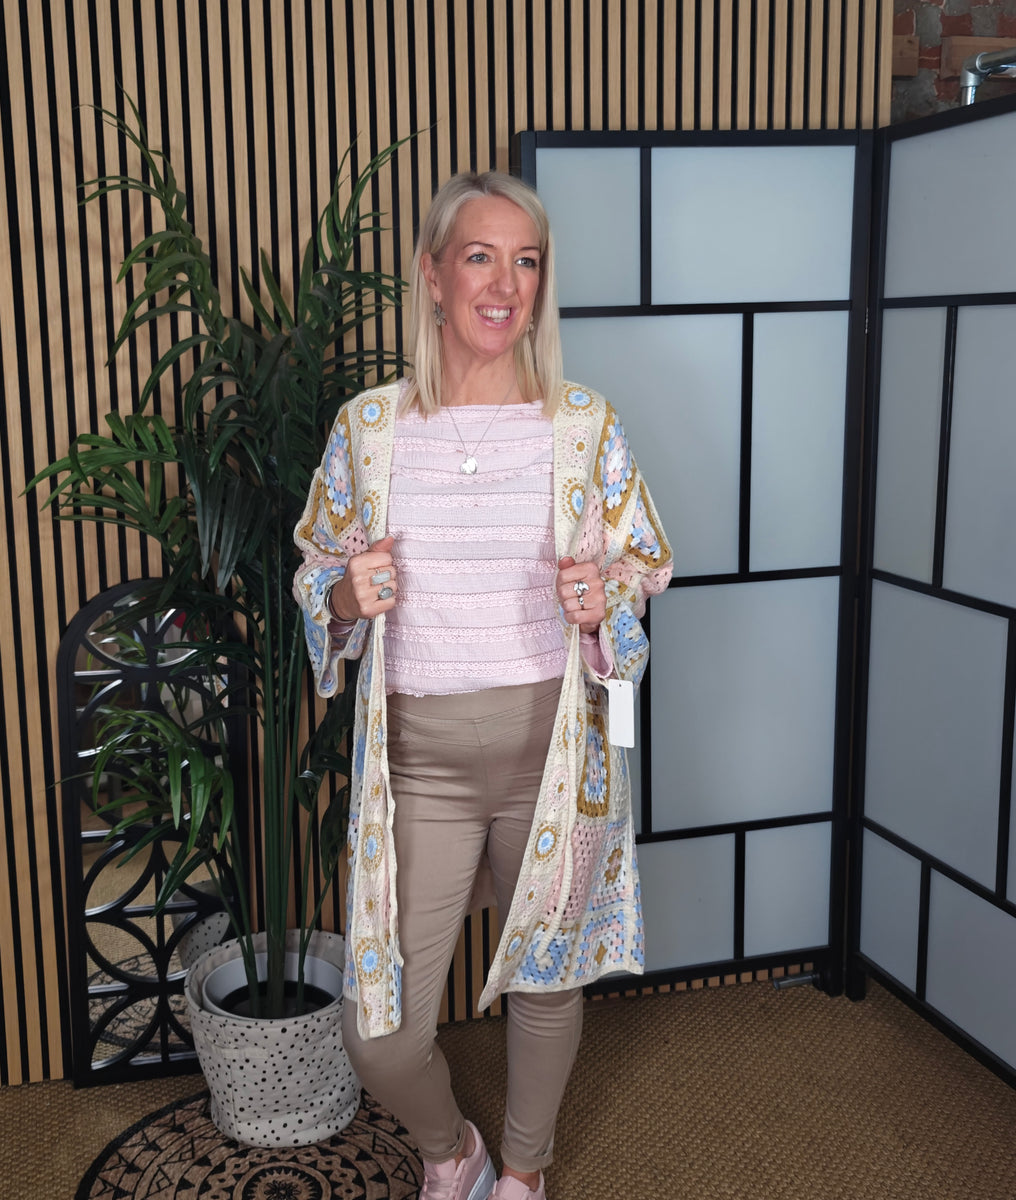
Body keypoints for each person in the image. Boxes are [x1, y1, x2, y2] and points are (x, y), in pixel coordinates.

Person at [294, 171, 672, 1200]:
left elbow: (643, 563)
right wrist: (341, 596)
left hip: (553, 756)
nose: (506, 283)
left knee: (547, 980)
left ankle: (523, 1172)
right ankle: (452, 1147)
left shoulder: (583, 425)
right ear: (430, 273)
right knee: (382, 1032)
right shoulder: (368, 429)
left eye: (528, 260)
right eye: (480, 256)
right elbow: (316, 569)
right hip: (419, 765)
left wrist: (605, 601)